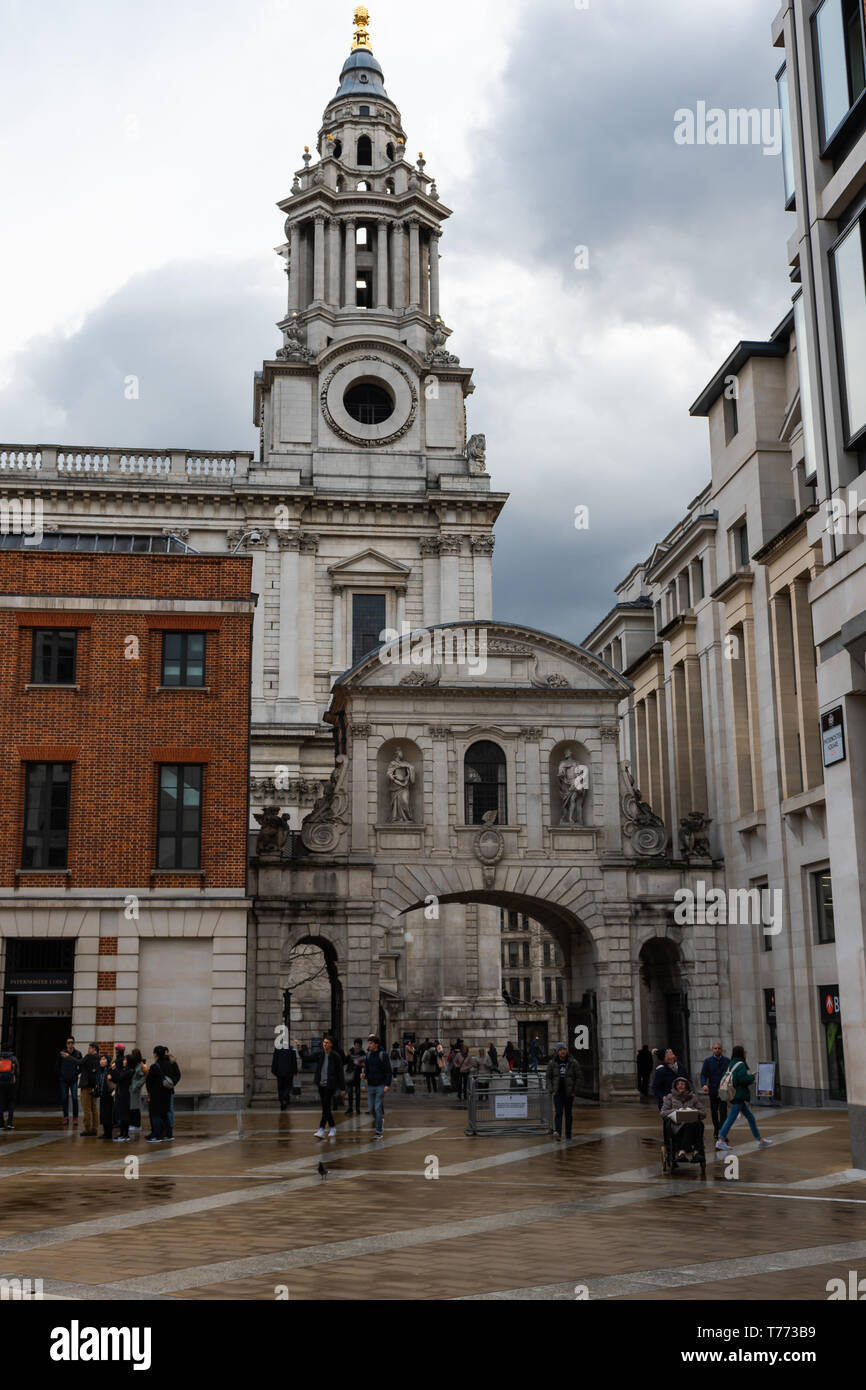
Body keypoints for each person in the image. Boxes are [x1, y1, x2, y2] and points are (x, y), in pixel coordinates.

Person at [716, 1045, 773, 1150]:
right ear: (741, 1053)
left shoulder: (732, 1063)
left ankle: (760, 1140)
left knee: (750, 1117)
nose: (746, 1053)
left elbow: (734, 1077)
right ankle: (720, 1139)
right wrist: (752, 1077)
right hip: (739, 1095)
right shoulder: (741, 1064)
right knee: (731, 1118)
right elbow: (742, 1080)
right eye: (744, 1051)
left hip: (736, 1095)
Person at [661, 1076, 706, 1165]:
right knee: (691, 1125)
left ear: (687, 1086)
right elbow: (663, 1113)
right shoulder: (670, 1097)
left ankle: (692, 1152)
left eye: (682, 1084)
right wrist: (676, 1111)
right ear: (675, 1086)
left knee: (697, 1124)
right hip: (676, 1126)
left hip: (692, 1124)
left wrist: (693, 1111)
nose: (680, 1086)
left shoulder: (693, 1097)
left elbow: (703, 1113)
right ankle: (687, 1152)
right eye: (678, 1084)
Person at [145, 1045, 180, 1143]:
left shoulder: (154, 1066)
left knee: (155, 1114)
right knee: (164, 1114)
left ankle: (156, 1135)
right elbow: (174, 1076)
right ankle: (168, 1134)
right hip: (167, 1093)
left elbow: (149, 1081)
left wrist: (149, 1092)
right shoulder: (170, 1064)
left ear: (155, 1054)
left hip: (156, 1094)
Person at [546, 1043, 581, 1140]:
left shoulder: (573, 1062)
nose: (563, 1051)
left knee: (568, 1114)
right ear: (557, 1051)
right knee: (558, 1113)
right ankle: (558, 1133)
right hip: (557, 1092)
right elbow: (548, 1077)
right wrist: (551, 1090)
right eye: (560, 1049)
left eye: (564, 1049)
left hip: (569, 1092)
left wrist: (574, 1091)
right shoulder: (552, 1063)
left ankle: (568, 1134)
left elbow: (578, 1077)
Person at [314, 1036, 345, 1139]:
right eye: (324, 1042)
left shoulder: (336, 1056)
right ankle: (329, 1128)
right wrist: (300, 1049)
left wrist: (342, 1088)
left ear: (331, 1044)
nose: (324, 1044)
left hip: (330, 1084)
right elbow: (307, 1058)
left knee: (326, 1105)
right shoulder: (320, 1054)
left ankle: (323, 1128)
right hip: (321, 1084)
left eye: (327, 1043)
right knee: (325, 1106)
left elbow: (340, 1073)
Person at [699, 1041, 731, 1139]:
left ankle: (722, 1132)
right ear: (712, 1050)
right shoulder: (708, 1061)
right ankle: (716, 1129)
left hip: (723, 1090)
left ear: (722, 1050)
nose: (717, 1050)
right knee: (714, 1111)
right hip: (713, 1089)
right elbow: (703, 1074)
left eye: (719, 1048)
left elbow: (731, 1074)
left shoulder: (727, 1061)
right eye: (715, 1048)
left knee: (723, 1112)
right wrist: (704, 1084)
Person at [365, 1034, 392, 1139]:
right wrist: (364, 1075)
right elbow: (367, 1069)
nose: (369, 1045)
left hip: (380, 1085)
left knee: (377, 1108)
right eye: (369, 1043)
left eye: (371, 1043)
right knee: (371, 1109)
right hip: (371, 1085)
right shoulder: (368, 1055)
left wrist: (387, 1084)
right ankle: (379, 1121)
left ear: (376, 1044)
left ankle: (378, 1131)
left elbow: (388, 1071)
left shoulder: (383, 1055)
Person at [56, 1035, 82, 1128]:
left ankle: (75, 1118)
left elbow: (81, 1065)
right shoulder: (62, 1054)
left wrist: (76, 1073)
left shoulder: (78, 1053)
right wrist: (61, 1074)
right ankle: (65, 1117)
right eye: (68, 1043)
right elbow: (57, 1066)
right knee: (64, 1098)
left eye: (71, 1042)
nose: (70, 1044)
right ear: (66, 1044)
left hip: (74, 1079)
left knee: (75, 1098)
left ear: (74, 1043)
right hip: (64, 1080)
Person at [77, 1042, 101, 1137]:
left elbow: (79, 1062)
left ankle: (87, 1129)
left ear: (93, 1049)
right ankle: (94, 1129)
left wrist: (68, 1057)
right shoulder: (98, 1058)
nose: (88, 1049)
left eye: (89, 1048)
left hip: (86, 1086)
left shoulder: (88, 1057)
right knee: (94, 1108)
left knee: (86, 1108)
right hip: (93, 1086)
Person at [110, 1048, 132, 1142]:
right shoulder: (124, 1069)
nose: (123, 1061)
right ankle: (122, 1133)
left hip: (124, 1094)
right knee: (121, 1114)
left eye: (125, 1060)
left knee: (125, 1115)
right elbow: (117, 1078)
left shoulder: (129, 1071)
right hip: (120, 1093)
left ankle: (125, 1134)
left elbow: (119, 1077)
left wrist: (114, 1069)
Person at [271, 1036, 299, 1110]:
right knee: (288, 1086)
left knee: (280, 1087)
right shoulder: (291, 1048)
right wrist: (295, 1071)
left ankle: (282, 1102)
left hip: (279, 1072)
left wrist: (273, 1070)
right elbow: (294, 1061)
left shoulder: (277, 1049)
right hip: (289, 1072)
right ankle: (285, 1097)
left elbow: (275, 1061)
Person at [345, 1038, 366, 1116]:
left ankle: (357, 1109)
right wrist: (346, 1056)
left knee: (358, 1093)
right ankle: (350, 1108)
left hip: (357, 1075)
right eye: (356, 1044)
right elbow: (345, 1061)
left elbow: (365, 1063)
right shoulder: (350, 1051)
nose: (357, 1046)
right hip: (350, 1074)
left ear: (360, 1045)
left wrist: (359, 1064)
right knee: (350, 1093)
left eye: (358, 1044)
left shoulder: (363, 1053)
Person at [0, 1044, 19, 1131]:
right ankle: (10, 1123)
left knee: (1, 1102)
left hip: (1, 1082)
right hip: (11, 1082)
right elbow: (17, 1072)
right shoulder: (14, 1058)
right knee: (11, 1102)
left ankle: (1, 1124)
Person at [128, 1048, 146, 1134]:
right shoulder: (133, 1065)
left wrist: (137, 1085)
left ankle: (137, 1124)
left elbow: (143, 1077)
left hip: (135, 1089)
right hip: (131, 1088)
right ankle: (132, 1123)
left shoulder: (140, 1065)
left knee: (135, 1107)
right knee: (131, 1106)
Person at [97, 1054, 114, 1141]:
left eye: (103, 1059)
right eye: (100, 1059)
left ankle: (109, 1133)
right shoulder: (101, 1070)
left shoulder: (110, 1070)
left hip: (108, 1095)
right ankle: (105, 1132)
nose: (101, 1061)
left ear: (107, 1061)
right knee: (103, 1114)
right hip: (102, 1095)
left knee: (108, 1115)